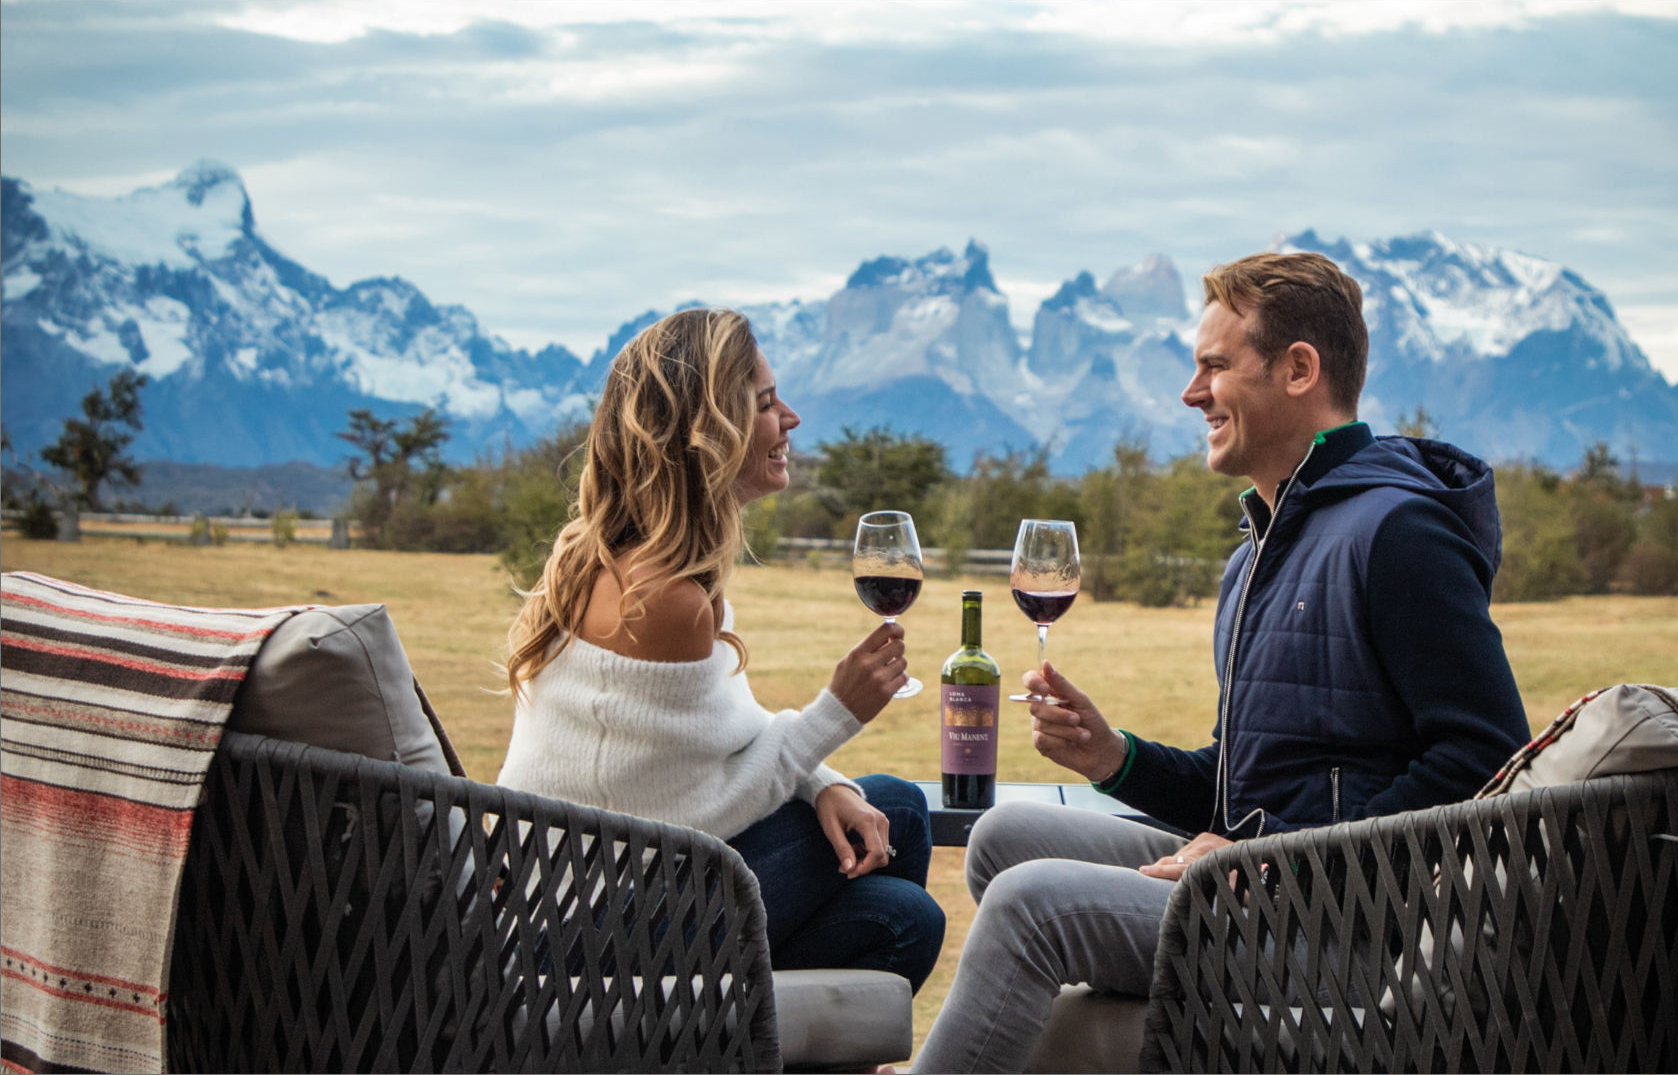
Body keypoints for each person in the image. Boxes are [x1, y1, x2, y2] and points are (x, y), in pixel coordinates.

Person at [912, 252, 1532, 1071]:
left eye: (1213, 366)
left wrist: (1271, 858)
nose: (1190, 393)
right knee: (1002, 838)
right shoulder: (1256, 554)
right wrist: (1115, 757)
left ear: (1299, 370)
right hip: (1256, 885)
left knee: (1031, 905)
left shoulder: (1399, 534)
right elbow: (1243, 785)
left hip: (1353, 929)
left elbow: (1487, 759)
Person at [495, 307, 944, 993]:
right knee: (904, 908)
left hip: (596, 887)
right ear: (709, 433)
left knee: (889, 815)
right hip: (583, 934)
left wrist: (823, 783)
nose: (790, 418)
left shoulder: (627, 561)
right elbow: (688, 818)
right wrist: (838, 712)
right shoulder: (666, 601)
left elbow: (715, 744)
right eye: (765, 403)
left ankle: (832, 1046)